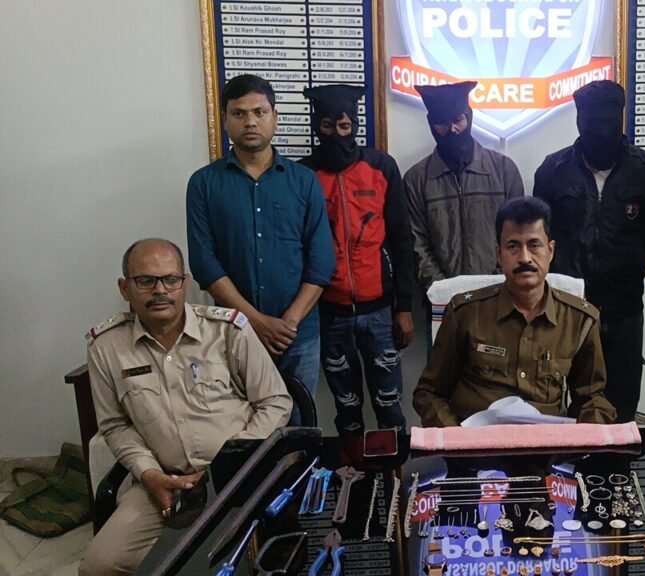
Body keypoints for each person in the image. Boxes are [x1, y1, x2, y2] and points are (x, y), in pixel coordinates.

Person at [79, 239, 291, 575]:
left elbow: (274, 401)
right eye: (146, 280)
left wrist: (228, 464)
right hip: (162, 482)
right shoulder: (106, 347)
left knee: (236, 562)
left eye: (170, 279)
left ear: (185, 283)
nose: (160, 290)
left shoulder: (227, 330)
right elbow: (115, 426)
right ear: (124, 288)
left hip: (236, 477)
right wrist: (150, 475)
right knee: (99, 566)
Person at [186, 74, 335, 399]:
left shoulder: (305, 181)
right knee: (236, 420)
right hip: (231, 332)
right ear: (225, 119)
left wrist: (289, 322)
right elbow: (204, 263)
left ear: (275, 117)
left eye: (259, 112)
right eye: (239, 113)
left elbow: (322, 260)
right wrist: (253, 320)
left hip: (297, 335)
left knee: (300, 420)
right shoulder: (204, 184)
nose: (250, 122)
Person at [413, 197, 616, 426]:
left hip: (545, 443)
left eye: (534, 245)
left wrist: (587, 434)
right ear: (499, 254)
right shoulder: (465, 313)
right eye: (513, 246)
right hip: (475, 441)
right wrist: (455, 436)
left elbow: (592, 399)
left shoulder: (580, 320)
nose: (525, 258)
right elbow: (429, 393)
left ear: (550, 251)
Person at [533, 80, 645, 423]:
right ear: (579, 121)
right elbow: (542, 235)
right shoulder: (553, 170)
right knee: (560, 401)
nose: (600, 132)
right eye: (592, 123)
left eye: (607, 123)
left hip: (624, 306)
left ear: (619, 119)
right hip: (567, 307)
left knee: (622, 402)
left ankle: (618, 460)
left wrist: (628, 262)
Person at [299, 83, 415, 435]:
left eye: (345, 126)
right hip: (329, 313)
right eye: (327, 127)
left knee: (389, 405)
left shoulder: (381, 167)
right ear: (316, 126)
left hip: (380, 312)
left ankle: (393, 469)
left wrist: (404, 307)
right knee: (347, 409)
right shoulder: (303, 175)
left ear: (356, 125)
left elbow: (402, 239)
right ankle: (353, 467)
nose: (337, 134)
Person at [403, 81, 525, 289]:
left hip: (500, 292)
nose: (452, 130)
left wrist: (495, 284)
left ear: (469, 117)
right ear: (431, 124)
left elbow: (518, 234)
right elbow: (418, 243)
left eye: (458, 120)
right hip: (441, 298)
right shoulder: (416, 179)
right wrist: (443, 290)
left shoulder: (504, 170)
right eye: (441, 123)